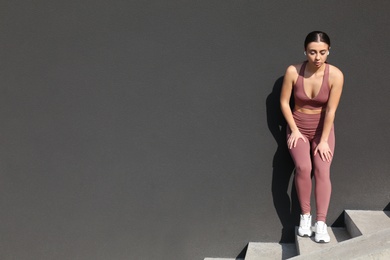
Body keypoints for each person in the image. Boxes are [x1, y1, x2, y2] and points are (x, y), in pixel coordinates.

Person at [280, 31, 344, 243]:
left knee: (322, 169)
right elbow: (284, 103)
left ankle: (321, 223)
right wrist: (294, 129)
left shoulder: (335, 75)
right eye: (312, 52)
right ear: (305, 51)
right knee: (304, 168)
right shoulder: (293, 71)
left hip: (322, 129)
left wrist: (324, 140)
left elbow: (331, 111)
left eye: (322, 52)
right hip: (298, 126)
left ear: (329, 51)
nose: (317, 57)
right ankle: (305, 217)